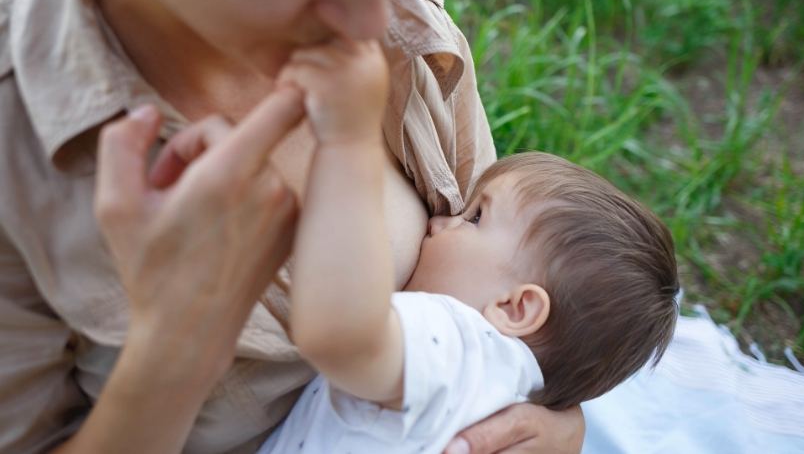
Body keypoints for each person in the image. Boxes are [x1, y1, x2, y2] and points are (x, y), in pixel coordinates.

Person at [0, 0, 585, 452]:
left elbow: (522, 288)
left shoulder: (406, 25)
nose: (372, 22)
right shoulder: (17, 155)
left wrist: (560, 422)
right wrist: (172, 347)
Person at [252, 40, 680, 453]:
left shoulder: (459, 341)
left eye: (474, 217)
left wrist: (346, 147)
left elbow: (338, 336)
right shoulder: (514, 390)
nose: (439, 222)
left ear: (515, 308)